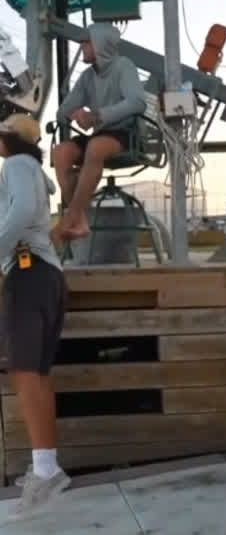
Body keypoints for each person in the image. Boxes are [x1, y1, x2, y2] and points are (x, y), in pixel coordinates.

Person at [0, 114, 70, 520]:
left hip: (27, 275)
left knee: (25, 371)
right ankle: (48, 468)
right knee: (37, 372)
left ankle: (45, 472)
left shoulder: (16, 165)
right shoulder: (33, 171)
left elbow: (23, 211)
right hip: (46, 276)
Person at [51, 22, 147, 242]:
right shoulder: (87, 77)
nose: (82, 46)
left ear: (100, 44)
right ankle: (81, 222)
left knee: (95, 147)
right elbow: (62, 112)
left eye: (87, 42)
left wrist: (97, 116)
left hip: (127, 133)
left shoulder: (124, 66)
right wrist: (75, 113)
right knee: (60, 152)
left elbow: (137, 102)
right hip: (100, 134)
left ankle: (70, 219)